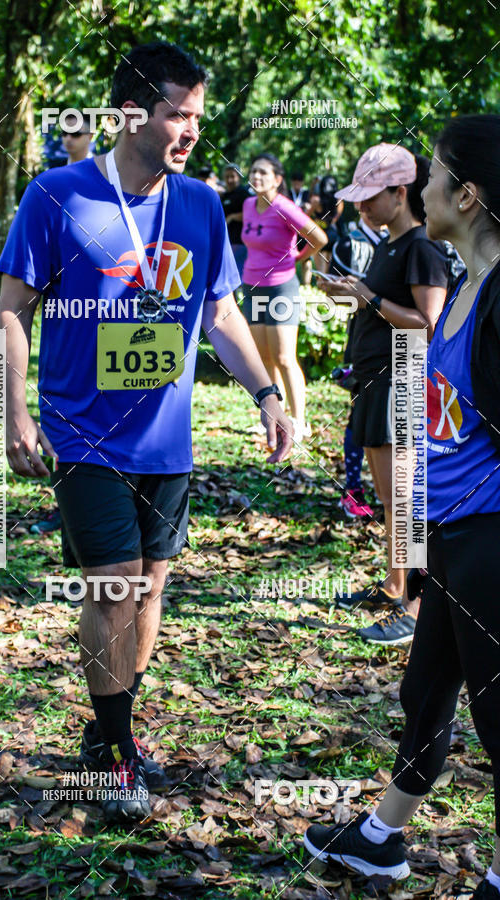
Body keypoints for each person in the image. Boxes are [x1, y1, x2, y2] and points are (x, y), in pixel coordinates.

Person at [0, 40, 292, 824]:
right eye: (176, 114)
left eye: (197, 115)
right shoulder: (56, 195)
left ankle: (107, 731)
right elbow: (11, 310)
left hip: (168, 442)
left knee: (151, 586)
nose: (191, 130)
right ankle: (119, 751)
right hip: (82, 434)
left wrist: (265, 390)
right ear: (130, 114)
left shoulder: (196, 204)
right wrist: (14, 413)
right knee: (116, 584)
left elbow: (221, 311)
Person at [304, 114, 500, 900]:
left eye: (437, 175)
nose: (424, 188)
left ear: (471, 194)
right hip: (450, 535)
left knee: (495, 715)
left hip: (490, 538)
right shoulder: (462, 282)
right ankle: (381, 839)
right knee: (425, 693)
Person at [318, 144, 449, 644]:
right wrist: (352, 293)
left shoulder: (421, 246)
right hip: (373, 379)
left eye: (371, 196)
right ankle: (394, 586)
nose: (361, 206)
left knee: (405, 498)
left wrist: (367, 296)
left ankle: (413, 603)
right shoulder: (389, 245)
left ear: (401, 193)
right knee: (388, 498)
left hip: (402, 380)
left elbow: (428, 325)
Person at [240, 152, 327, 442]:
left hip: (281, 288)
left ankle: (300, 421)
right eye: (253, 171)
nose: (256, 177)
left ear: (278, 180)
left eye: (264, 173)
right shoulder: (248, 204)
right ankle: (274, 418)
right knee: (264, 358)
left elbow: (319, 238)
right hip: (251, 287)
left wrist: (299, 259)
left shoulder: (284, 207)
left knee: (284, 357)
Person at [332, 209, 387, 519]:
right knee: (359, 414)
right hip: (364, 341)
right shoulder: (351, 242)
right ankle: (354, 488)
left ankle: (392, 494)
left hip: (399, 345)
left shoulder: (408, 240)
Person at [220, 164, 251, 281]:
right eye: (227, 177)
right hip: (226, 242)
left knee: (237, 277)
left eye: (232, 176)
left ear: (239, 177)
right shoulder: (224, 196)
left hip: (240, 242)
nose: (229, 180)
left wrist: (233, 217)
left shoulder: (244, 194)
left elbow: (251, 215)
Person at [309, 174, 344, 273]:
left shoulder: (316, 201)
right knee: (329, 267)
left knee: (321, 270)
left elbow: (305, 217)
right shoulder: (339, 201)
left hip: (319, 237)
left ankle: (321, 284)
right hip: (333, 237)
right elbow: (335, 219)